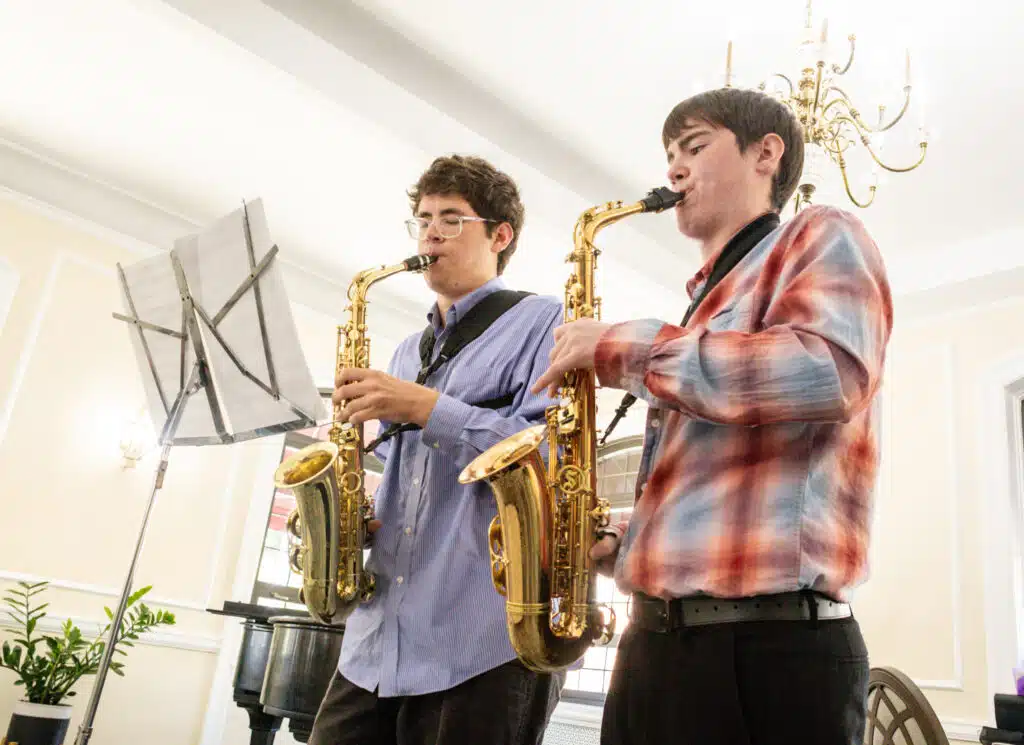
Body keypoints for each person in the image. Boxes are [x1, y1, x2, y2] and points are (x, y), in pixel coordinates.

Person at [532, 87, 894, 745]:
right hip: (656, 649)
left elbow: (829, 371)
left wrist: (624, 346)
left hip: (768, 651)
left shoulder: (822, 232)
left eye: (693, 147)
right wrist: (629, 541)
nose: (672, 168)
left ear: (767, 153)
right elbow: (721, 486)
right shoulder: (696, 315)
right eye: (669, 154)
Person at [308, 154, 566, 745]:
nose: (430, 231)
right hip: (378, 637)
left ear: (500, 235)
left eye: (452, 218)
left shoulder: (544, 321)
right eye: (423, 218)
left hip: (481, 637)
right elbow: (406, 477)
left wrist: (425, 408)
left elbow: (550, 457)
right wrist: (352, 517)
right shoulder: (406, 352)